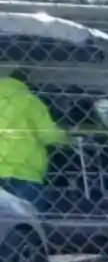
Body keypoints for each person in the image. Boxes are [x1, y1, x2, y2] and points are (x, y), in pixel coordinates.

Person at [0, 66, 67, 209]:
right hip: (24, 172)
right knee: (28, 219)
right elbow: (49, 134)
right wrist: (66, 139)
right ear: (26, 83)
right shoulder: (30, 101)